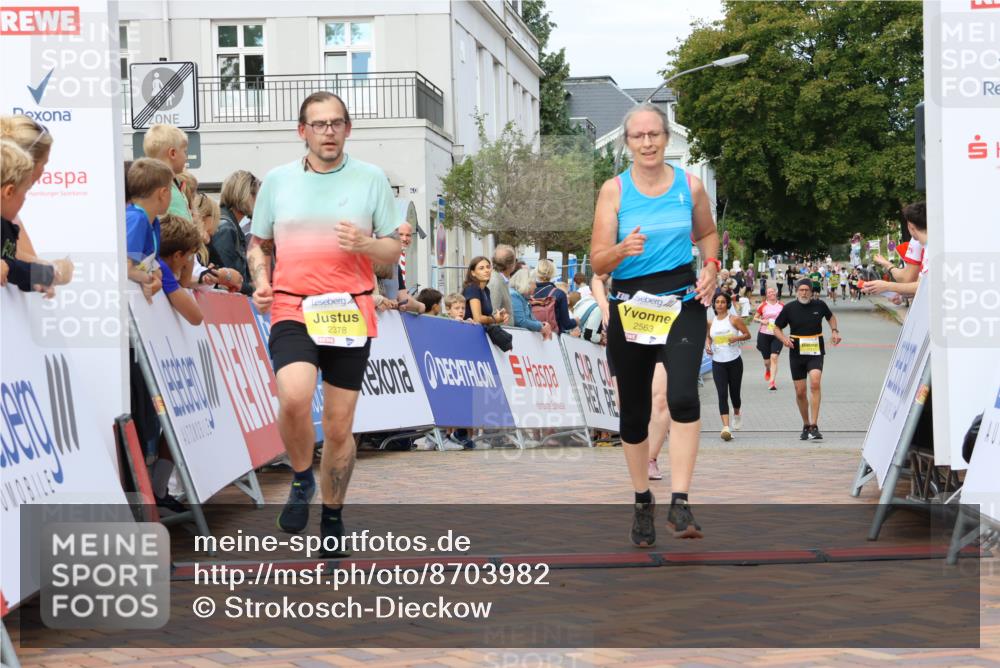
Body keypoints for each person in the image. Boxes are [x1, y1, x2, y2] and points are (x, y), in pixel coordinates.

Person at [247, 91, 402, 555]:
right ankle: (300, 479)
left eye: (336, 123)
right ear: (303, 132)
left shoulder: (371, 179)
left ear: (348, 129)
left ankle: (332, 516)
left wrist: (365, 245)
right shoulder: (277, 181)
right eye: (319, 124)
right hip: (293, 306)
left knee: (338, 427)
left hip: (350, 311)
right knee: (293, 397)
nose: (328, 131)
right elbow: (259, 243)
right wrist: (260, 280)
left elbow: (393, 253)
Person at [590, 102, 719, 546]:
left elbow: (707, 234)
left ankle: (680, 499)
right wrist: (622, 249)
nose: (647, 143)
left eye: (654, 135)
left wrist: (712, 266)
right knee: (635, 414)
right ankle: (643, 500)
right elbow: (597, 259)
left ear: (666, 138)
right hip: (631, 305)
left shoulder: (690, 186)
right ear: (627, 144)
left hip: (682, 302)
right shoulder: (614, 191)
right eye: (638, 136)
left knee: (683, 396)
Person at [592, 272, 671, 481]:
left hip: (659, 325)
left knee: (661, 399)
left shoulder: (668, 247)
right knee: (628, 405)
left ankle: (650, 459)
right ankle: (638, 453)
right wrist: (603, 304)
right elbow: (597, 278)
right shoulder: (624, 244)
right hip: (624, 327)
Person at [0, 115, 73, 283]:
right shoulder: (8, 210)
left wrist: (49, 271)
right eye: (44, 164)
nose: (44, 172)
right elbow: (16, 259)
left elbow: (15, 262)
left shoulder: (8, 215)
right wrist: (52, 272)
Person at [771, 279, 842, 440]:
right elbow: (776, 327)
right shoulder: (789, 308)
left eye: (806, 290)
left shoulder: (819, 305)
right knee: (800, 391)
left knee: (815, 382)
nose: (804, 293)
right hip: (796, 351)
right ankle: (806, 424)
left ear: (811, 291)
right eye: (801, 290)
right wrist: (784, 340)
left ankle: (814, 425)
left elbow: (831, 317)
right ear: (796, 291)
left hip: (815, 348)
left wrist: (835, 331)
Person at [1, 140, 63, 293]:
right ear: (9, 192)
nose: (25, 199)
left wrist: (41, 278)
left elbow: (12, 266)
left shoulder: (8, 227)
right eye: (25, 192)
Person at [124, 158, 173, 303]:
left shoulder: (153, 222)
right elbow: (124, 267)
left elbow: (153, 266)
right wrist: (147, 278)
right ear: (163, 193)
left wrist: (156, 278)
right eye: (171, 190)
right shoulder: (135, 219)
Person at [707, 293, 751, 441]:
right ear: (714, 305)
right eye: (717, 302)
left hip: (734, 361)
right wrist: (708, 346)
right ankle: (725, 427)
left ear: (727, 305)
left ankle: (737, 413)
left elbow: (747, 334)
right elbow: (708, 336)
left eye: (722, 302)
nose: (719, 304)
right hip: (718, 362)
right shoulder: (711, 322)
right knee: (721, 394)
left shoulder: (734, 319)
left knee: (735, 394)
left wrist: (736, 338)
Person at [863, 202, 927, 299]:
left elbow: (920, 285)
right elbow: (920, 285)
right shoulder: (928, 248)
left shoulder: (929, 250)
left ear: (910, 226)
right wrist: (900, 295)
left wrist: (887, 286)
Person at [213, 169, 260, 296]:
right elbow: (229, 280)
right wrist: (255, 289)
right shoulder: (226, 229)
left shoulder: (228, 225)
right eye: (257, 196)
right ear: (246, 196)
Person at [156, 213, 204, 325]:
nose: (189, 261)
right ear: (177, 256)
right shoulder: (161, 268)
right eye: (190, 256)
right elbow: (196, 317)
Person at [142, 124, 191, 222]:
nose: (187, 157)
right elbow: (184, 232)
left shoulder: (151, 185)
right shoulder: (169, 191)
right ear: (172, 153)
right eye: (185, 152)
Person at [532, 258, 577, 334]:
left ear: (537, 272)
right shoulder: (559, 294)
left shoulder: (529, 292)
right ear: (553, 272)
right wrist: (576, 321)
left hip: (532, 335)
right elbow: (566, 324)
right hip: (553, 337)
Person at [753, 286, 785, 391]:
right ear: (766, 295)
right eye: (769, 292)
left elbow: (787, 319)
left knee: (774, 357)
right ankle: (767, 369)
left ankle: (772, 382)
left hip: (777, 335)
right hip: (764, 334)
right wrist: (763, 321)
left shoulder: (782, 306)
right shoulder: (763, 305)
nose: (771, 293)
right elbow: (755, 318)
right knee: (767, 361)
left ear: (776, 293)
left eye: (773, 292)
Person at [463, 256, 508, 325]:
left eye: (488, 267)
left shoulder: (486, 290)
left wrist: (499, 316)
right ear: (473, 273)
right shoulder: (472, 289)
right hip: (470, 332)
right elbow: (477, 319)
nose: (486, 270)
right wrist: (494, 319)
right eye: (481, 268)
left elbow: (486, 316)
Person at [508, 268, 553, 338]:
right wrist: (541, 326)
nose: (535, 286)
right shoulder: (514, 296)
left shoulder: (522, 297)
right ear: (526, 283)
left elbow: (528, 319)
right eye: (534, 283)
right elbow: (521, 322)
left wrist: (542, 325)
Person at [487, 244, 515, 318]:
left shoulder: (501, 279)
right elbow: (493, 315)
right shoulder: (495, 282)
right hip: (502, 328)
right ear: (511, 264)